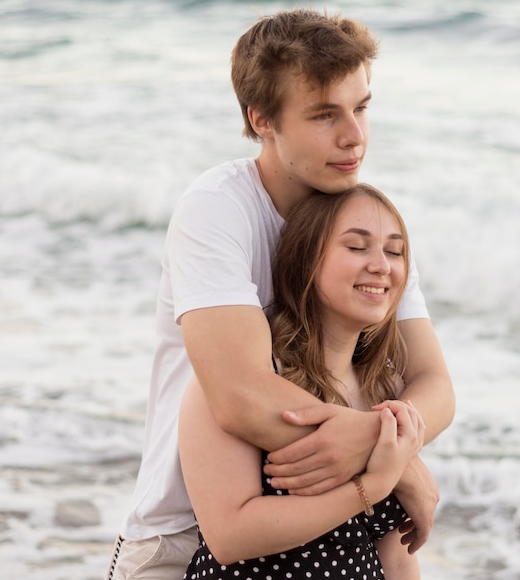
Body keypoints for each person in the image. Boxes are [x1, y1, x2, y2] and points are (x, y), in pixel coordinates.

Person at [107, 8, 454, 580]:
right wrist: (395, 459)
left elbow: (435, 386)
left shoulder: (366, 227)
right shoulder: (219, 208)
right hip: (182, 532)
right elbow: (240, 397)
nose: (355, 136)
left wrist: (389, 448)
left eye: (361, 107)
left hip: (321, 529)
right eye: (324, 114)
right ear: (261, 118)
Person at [180, 184, 427, 580]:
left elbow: (397, 559)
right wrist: (370, 487)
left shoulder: (386, 391)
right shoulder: (250, 380)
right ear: (307, 258)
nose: (382, 265)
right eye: (357, 247)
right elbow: (229, 535)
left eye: (394, 251)